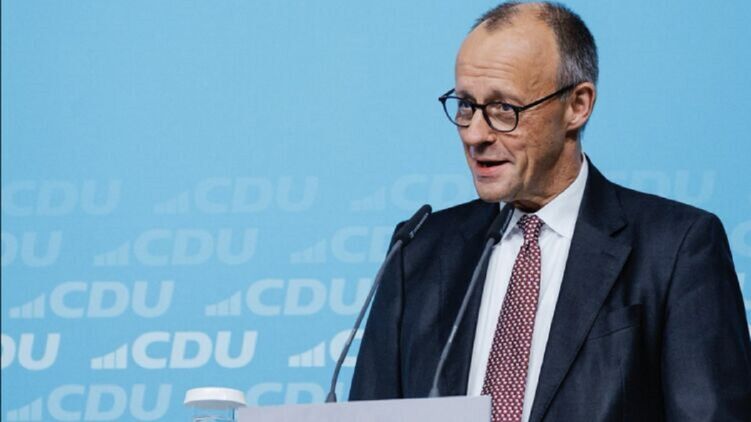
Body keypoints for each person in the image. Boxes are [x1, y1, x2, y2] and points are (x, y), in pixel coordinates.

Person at [349, 2, 751, 421]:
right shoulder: (418, 251)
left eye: (504, 108)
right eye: (466, 105)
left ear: (577, 105)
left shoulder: (677, 249)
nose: (474, 134)